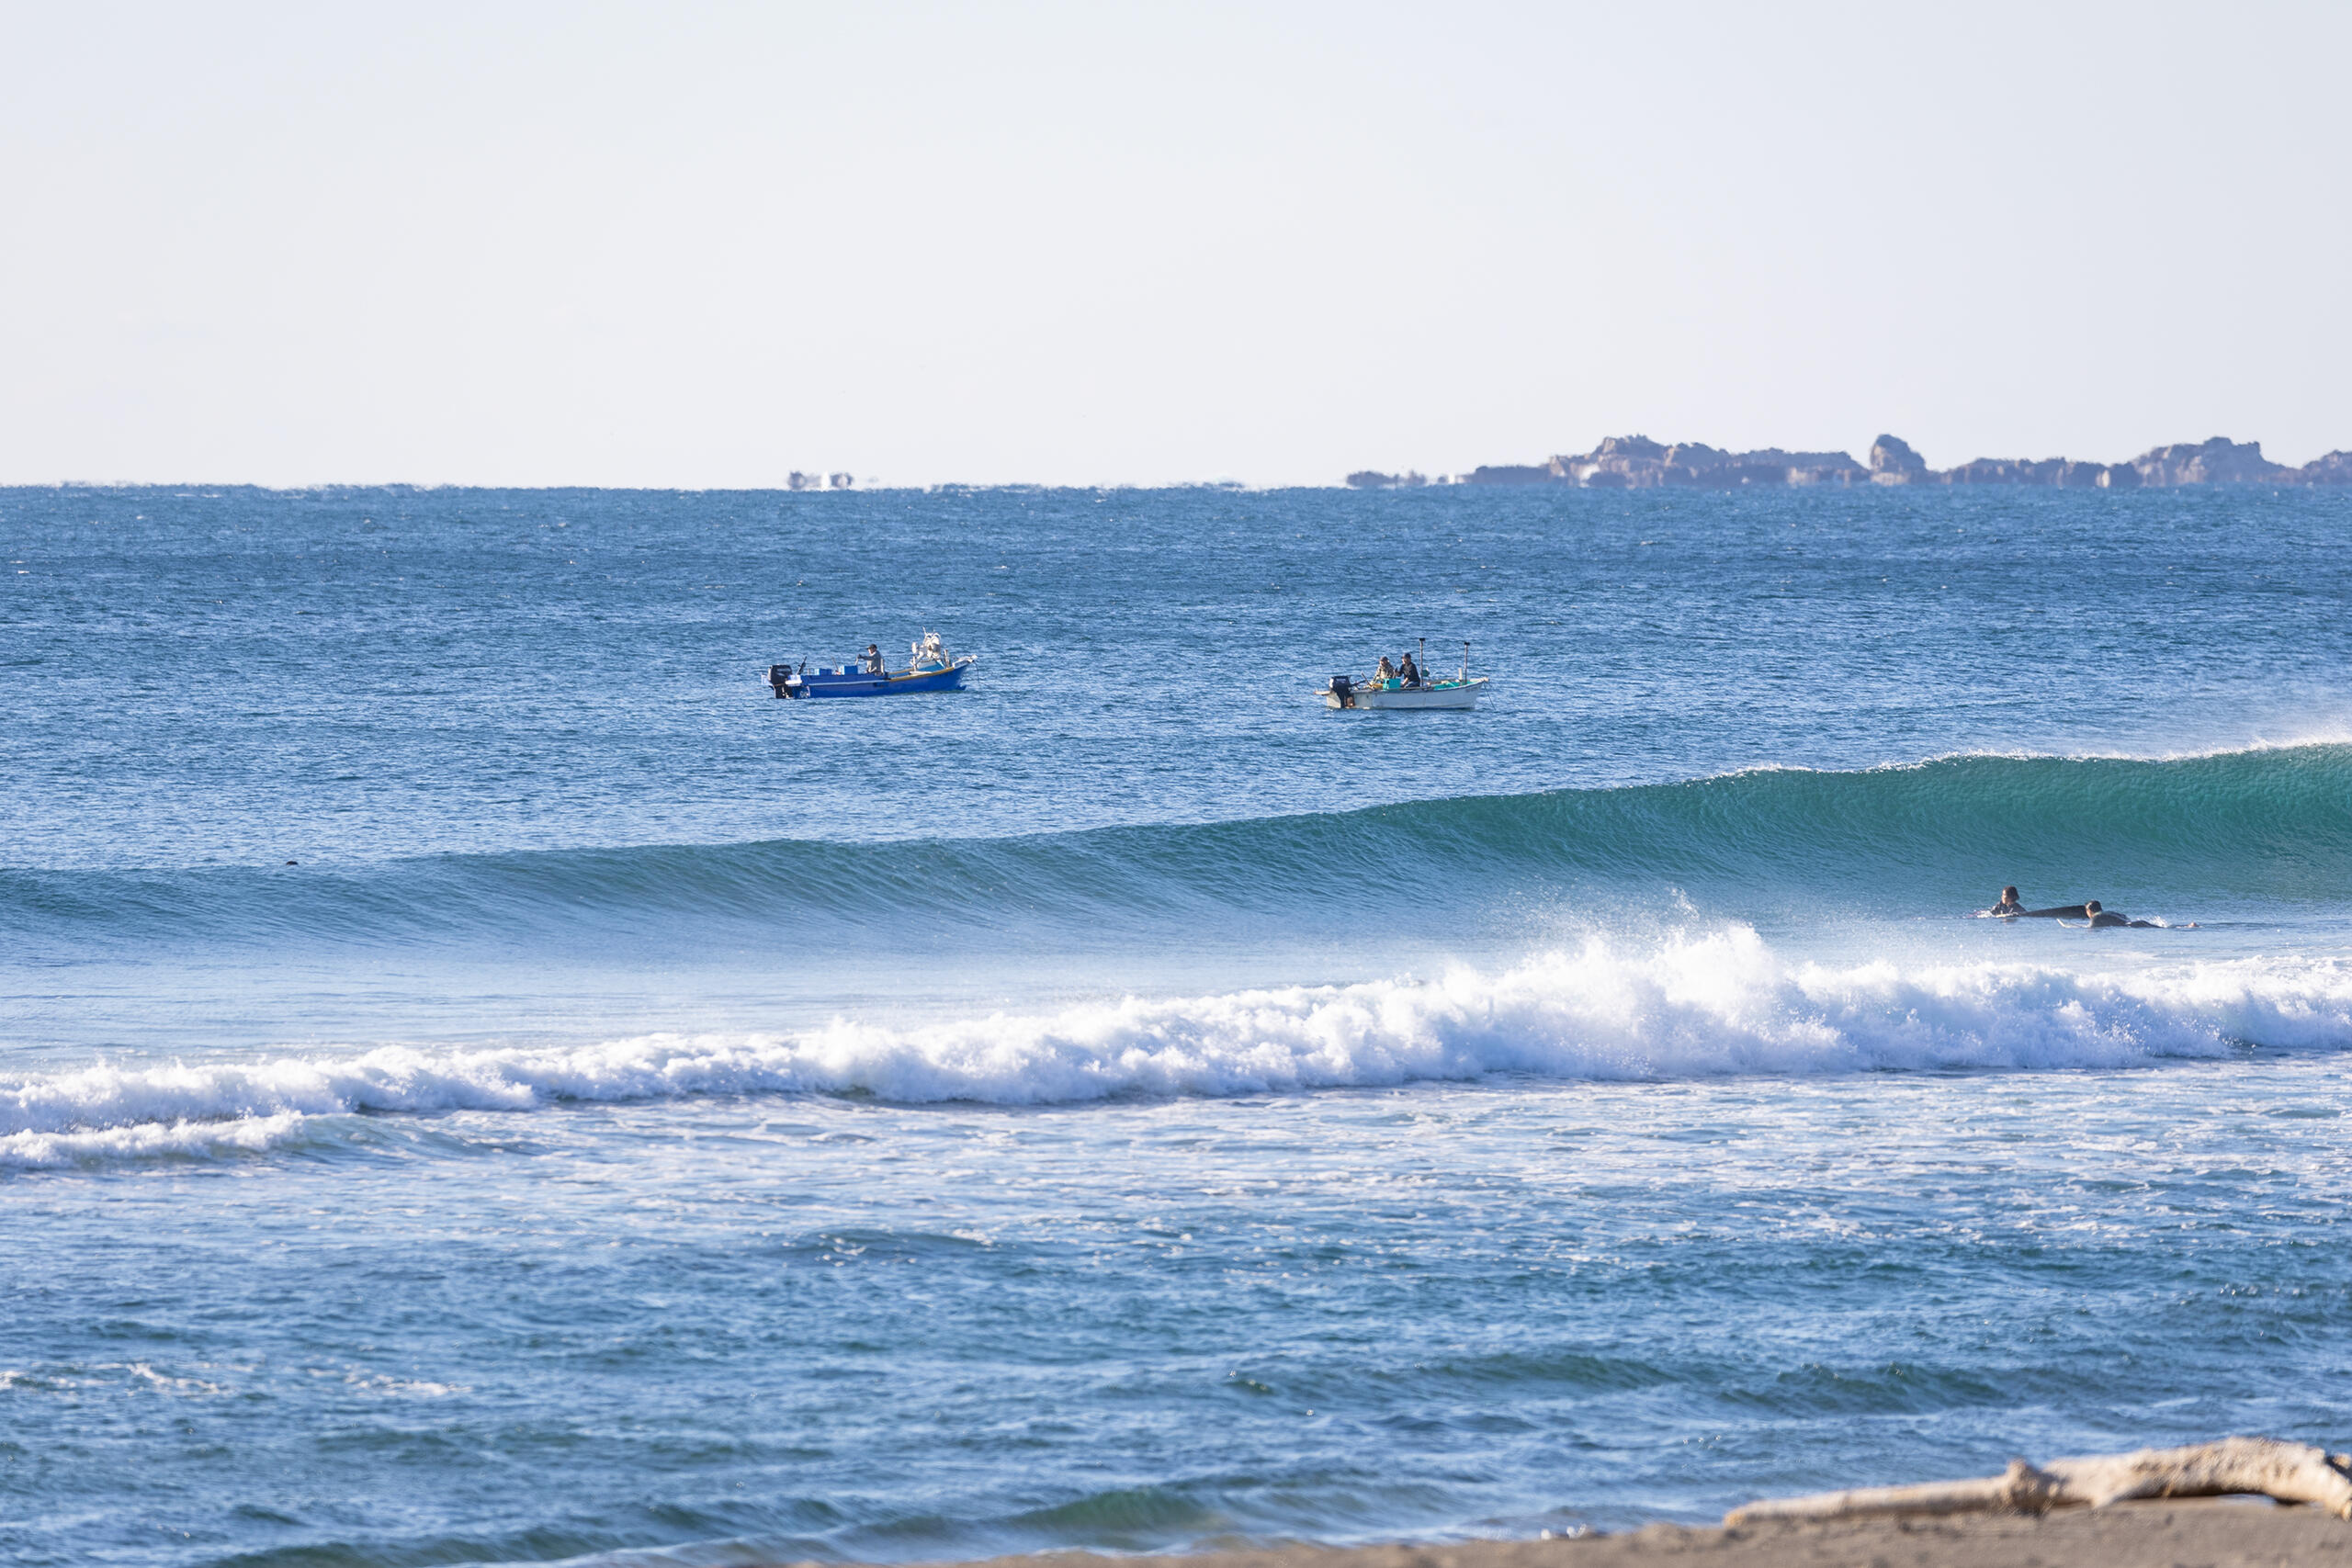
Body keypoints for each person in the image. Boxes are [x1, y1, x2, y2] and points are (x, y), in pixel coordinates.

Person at [1985, 886, 2082, 919]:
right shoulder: (2000, 905)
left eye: (2004, 895)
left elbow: (2019, 916)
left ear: (2010, 897)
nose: (2002, 897)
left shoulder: (2017, 908)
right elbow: (1991, 913)